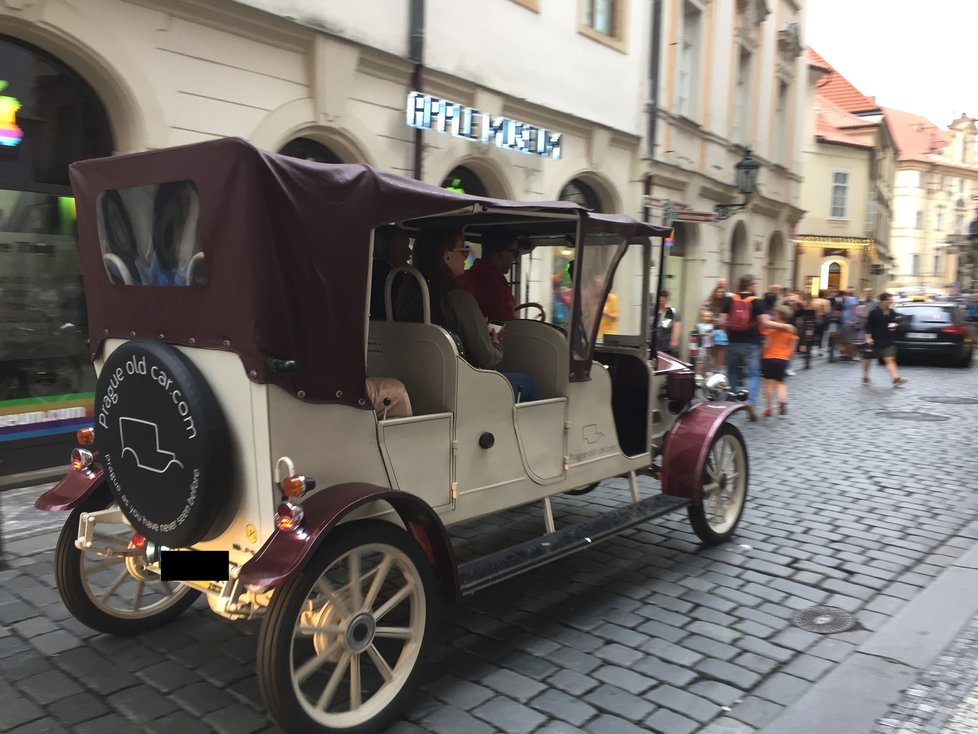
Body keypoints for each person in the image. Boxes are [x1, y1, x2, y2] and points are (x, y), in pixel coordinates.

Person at [396, 227, 503, 370]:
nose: (466, 257)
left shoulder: (405, 293)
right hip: (456, 380)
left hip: (412, 373)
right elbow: (487, 358)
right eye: (463, 251)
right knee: (528, 382)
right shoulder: (459, 299)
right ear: (447, 257)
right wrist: (497, 345)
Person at [719, 273, 798, 421]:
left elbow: (722, 322)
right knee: (753, 375)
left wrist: (730, 332)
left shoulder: (730, 300)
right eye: (754, 284)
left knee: (733, 374)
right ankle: (751, 403)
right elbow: (766, 323)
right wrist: (785, 326)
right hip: (751, 344)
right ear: (750, 285)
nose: (755, 286)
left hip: (733, 343)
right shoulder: (757, 302)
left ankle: (731, 404)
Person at [459, 228, 518, 322]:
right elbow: (506, 326)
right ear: (501, 252)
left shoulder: (466, 276)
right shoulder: (497, 287)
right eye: (514, 253)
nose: (515, 259)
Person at [862, 292, 907, 386]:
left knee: (889, 359)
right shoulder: (874, 313)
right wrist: (868, 338)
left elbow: (897, 326)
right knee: (868, 359)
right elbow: (868, 326)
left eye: (891, 299)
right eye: (888, 299)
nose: (890, 301)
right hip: (874, 341)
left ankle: (895, 378)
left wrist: (897, 325)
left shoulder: (893, 313)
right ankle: (865, 376)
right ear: (882, 301)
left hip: (888, 341)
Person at [761, 305, 798, 417]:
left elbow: (766, 345)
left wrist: (761, 353)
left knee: (768, 384)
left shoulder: (770, 329)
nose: (772, 316)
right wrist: (787, 357)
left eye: (774, 314)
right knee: (780, 383)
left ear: (779, 315)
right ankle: (782, 400)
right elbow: (792, 349)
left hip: (768, 358)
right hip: (782, 359)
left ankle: (768, 408)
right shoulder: (792, 330)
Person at [369, 225, 412, 319]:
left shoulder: (364, 274)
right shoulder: (398, 279)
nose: (410, 253)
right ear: (393, 251)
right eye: (406, 247)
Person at [700, 282, 728, 371]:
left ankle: (720, 368)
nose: (720, 294)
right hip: (710, 328)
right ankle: (716, 367)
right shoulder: (710, 302)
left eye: (722, 292)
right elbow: (703, 313)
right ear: (715, 292)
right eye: (718, 292)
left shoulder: (726, 303)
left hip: (722, 330)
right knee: (712, 350)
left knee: (721, 350)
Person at [654, 289, 682, 356]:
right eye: (659, 301)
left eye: (662, 301)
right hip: (654, 346)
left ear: (666, 300)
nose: (660, 303)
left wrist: (674, 341)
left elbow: (677, 327)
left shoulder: (672, 313)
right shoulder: (653, 311)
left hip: (666, 347)